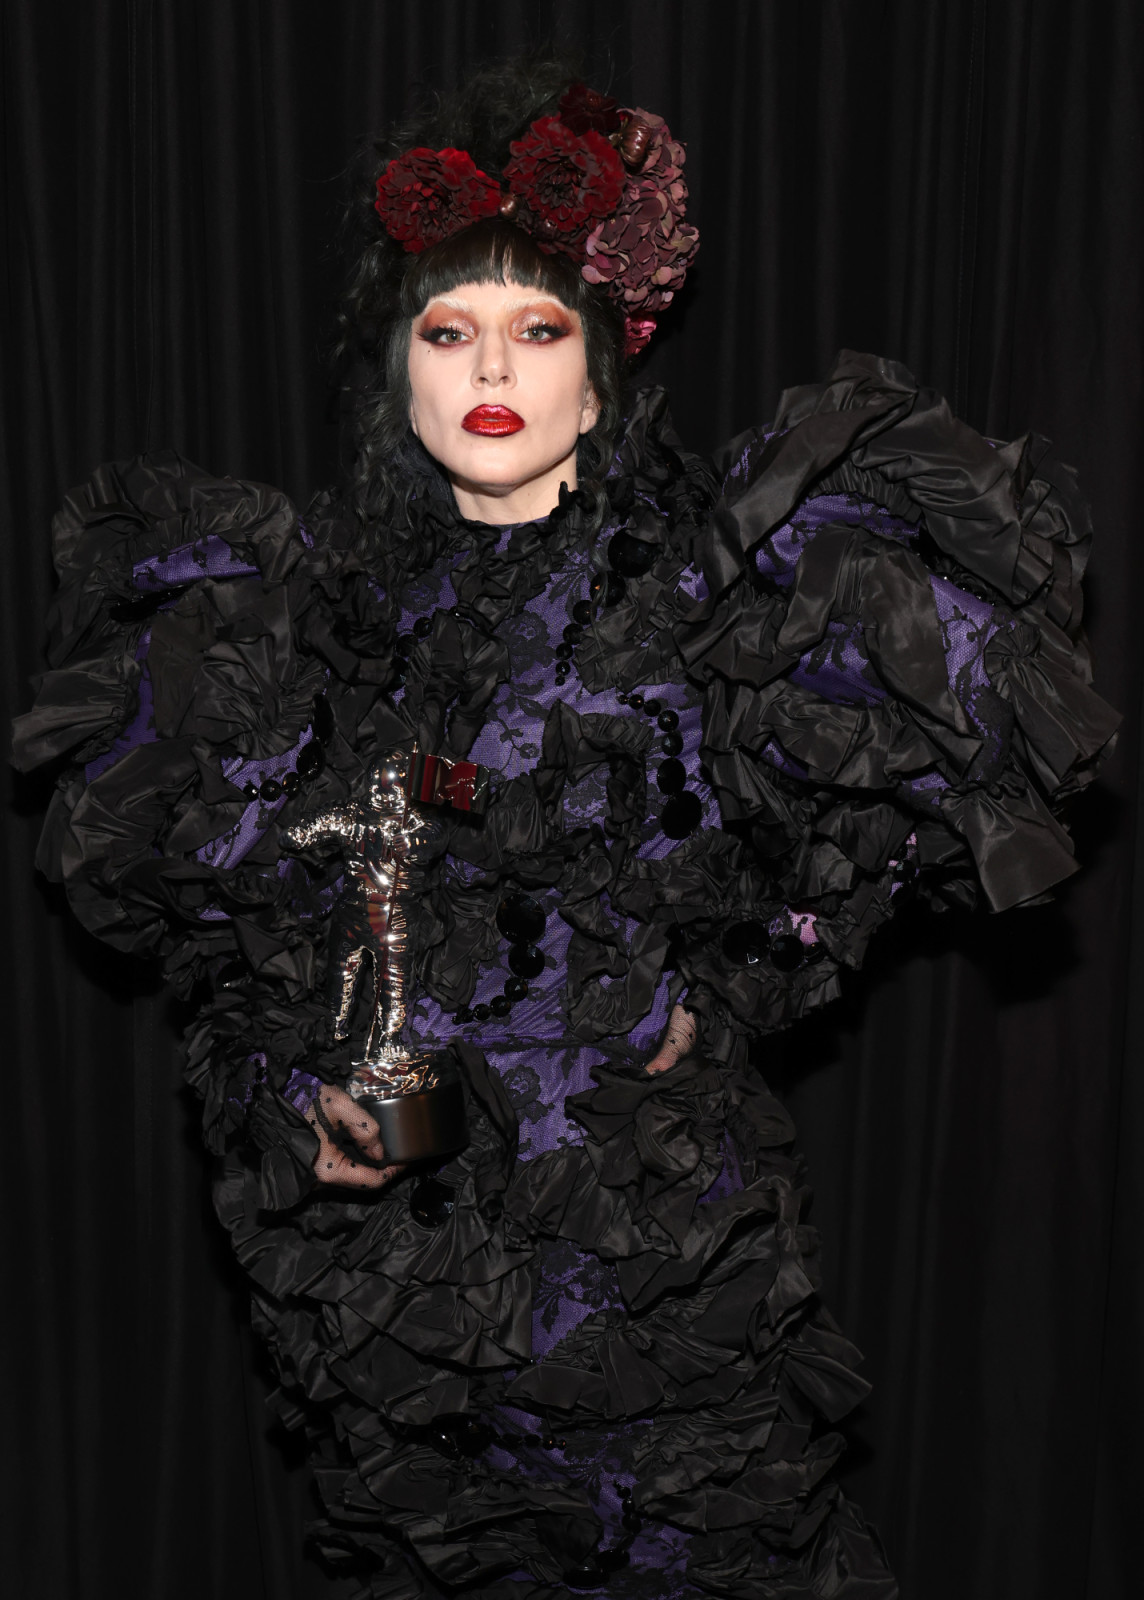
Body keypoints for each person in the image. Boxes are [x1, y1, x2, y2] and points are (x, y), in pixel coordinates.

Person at [12, 59, 1118, 1600]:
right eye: (448, 329)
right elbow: (223, 947)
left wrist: (716, 1000)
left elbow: (844, 869)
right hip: (396, 1297)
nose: (494, 367)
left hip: (651, 1267)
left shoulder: (719, 590)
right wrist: (291, 1104)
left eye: (539, 331)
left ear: (602, 369)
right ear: (397, 370)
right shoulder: (286, 614)